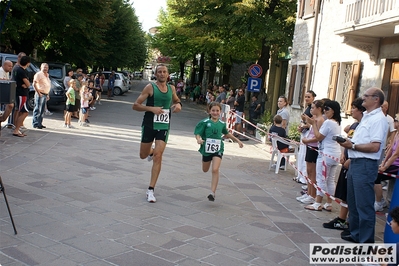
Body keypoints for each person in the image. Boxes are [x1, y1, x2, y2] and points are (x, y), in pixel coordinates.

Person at [339, 87, 388, 243]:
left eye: (366, 96)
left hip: (366, 164)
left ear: (376, 100)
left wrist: (352, 146)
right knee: (353, 202)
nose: (362, 98)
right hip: (356, 162)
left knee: (364, 204)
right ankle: (356, 233)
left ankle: (366, 240)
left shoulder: (378, 119)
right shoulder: (366, 117)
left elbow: (375, 146)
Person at [132, 64, 182, 203]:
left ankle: (150, 190)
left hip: (164, 125)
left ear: (168, 74)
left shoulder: (171, 88)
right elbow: (135, 105)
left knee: (158, 156)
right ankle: (150, 152)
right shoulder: (150, 87)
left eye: (164, 72)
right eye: (159, 72)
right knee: (143, 155)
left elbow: (177, 100)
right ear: (155, 74)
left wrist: (178, 105)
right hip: (149, 124)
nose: (162, 74)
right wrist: (151, 109)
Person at [322, 97, 365, 230]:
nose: (351, 110)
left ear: (360, 110)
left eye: (353, 108)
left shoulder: (364, 126)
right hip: (345, 160)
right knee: (343, 193)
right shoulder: (354, 125)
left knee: (351, 194)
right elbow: (349, 141)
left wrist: (351, 159)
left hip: (354, 162)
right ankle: (341, 219)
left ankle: (349, 221)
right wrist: (343, 153)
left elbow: (361, 145)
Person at [194, 102, 243, 201]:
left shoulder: (222, 124)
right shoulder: (204, 122)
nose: (215, 112)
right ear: (209, 111)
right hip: (206, 149)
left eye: (217, 111)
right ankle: (212, 190)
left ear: (220, 112)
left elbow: (227, 133)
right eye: (213, 110)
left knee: (215, 169)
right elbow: (198, 133)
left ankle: (212, 192)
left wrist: (237, 140)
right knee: (205, 169)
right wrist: (198, 139)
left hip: (218, 149)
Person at [304, 100, 341, 211]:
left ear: (333, 111)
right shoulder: (337, 123)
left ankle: (317, 203)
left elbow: (319, 136)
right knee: (330, 180)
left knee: (321, 178)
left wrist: (314, 124)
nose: (325, 111)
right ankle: (329, 203)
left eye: (327, 109)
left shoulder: (329, 122)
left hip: (326, 153)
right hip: (335, 153)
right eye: (324, 109)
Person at [297, 99, 325, 205]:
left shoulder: (320, 120)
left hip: (314, 147)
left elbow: (318, 136)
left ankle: (312, 194)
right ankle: (309, 192)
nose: (311, 110)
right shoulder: (314, 119)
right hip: (309, 146)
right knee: (309, 171)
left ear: (319, 109)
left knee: (313, 172)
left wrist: (308, 140)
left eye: (313, 108)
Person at [374, 113, 399, 211]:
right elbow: (390, 150)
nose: (394, 122)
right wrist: (384, 162)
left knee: (377, 176)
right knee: (376, 176)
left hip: (396, 165)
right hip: (392, 163)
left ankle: (379, 202)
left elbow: (396, 154)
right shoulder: (397, 133)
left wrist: (386, 166)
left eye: (396, 121)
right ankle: (381, 201)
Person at [294, 91, 316, 185]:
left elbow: (312, 123)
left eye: (309, 97)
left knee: (304, 156)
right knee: (301, 154)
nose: (306, 98)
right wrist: (301, 126)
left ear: (313, 98)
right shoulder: (307, 107)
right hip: (304, 133)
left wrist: (304, 124)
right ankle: (300, 175)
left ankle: (304, 177)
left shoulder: (312, 109)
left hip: (308, 134)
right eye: (305, 96)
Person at [12, 56, 31, 137]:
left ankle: (16, 129)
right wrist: (27, 85)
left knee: (19, 111)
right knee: (24, 112)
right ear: (28, 63)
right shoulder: (22, 71)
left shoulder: (16, 68)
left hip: (18, 92)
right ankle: (16, 129)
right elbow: (28, 83)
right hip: (22, 94)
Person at [32, 63, 51, 129]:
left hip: (45, 94)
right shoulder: (38, 74)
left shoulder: (47, 75)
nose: (45, 69)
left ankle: (40, 123)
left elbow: (47, 85)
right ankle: (35, 123)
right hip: (40, 93)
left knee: (42, 110)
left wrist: (48, 94)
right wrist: (38, 93)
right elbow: (34, 84)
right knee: (38, 109)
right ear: (41, 67)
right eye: (44, 67)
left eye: (47, 67)